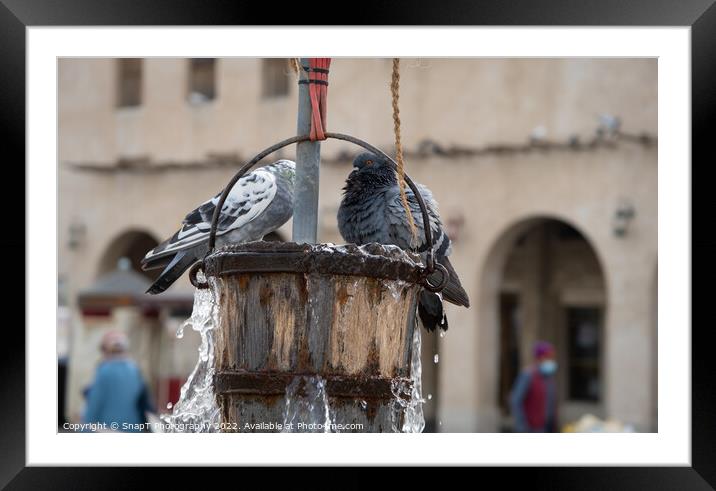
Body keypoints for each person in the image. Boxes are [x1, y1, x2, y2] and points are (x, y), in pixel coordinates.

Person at [82, 330, 156, 432]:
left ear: (106, 350)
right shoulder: (135, 370)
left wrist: (85, 430)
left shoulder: (105, 371)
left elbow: (94, 406)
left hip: (108, 429)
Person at [509, 340, 558, 432]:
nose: (552, 360)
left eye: (552, 357)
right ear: (539, 358)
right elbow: (515, 401)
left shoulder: (549, 378)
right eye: (548, 357)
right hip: (531, 429)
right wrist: (522, 426)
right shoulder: (528, 375)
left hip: (547, 427)